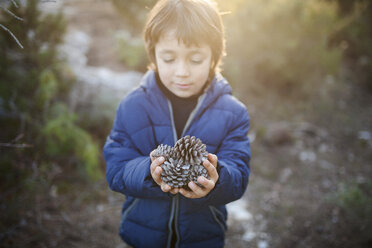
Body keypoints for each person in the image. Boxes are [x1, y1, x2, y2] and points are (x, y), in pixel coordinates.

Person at [103, 0, 251, 247]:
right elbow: (116, 169)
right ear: (154, 54)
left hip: (202, 239)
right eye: (169, 59)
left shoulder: (233, 113)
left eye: (195, 60)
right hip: (143, 237)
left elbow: (239, 175)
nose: (182, 72)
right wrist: (148, 173)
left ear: (213, 57)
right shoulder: (133, 107)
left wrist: (216, 181)